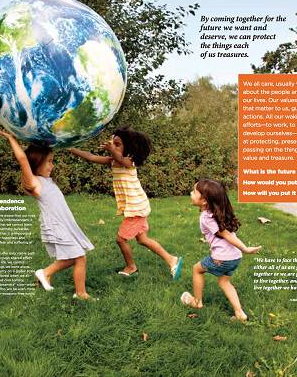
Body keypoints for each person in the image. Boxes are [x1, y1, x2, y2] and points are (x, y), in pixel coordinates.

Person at [70, 126, 183, 279]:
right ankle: (172, 259)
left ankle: (131, 267)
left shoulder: (129, 162)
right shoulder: (113, 161)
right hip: (137, 207)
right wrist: (71, 149)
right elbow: (90, 157)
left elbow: (121, 159)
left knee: (121, 239)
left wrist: (111, 150)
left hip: (136, 209)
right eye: (112, 143)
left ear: (128, 148)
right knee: (143, 240)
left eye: (117, 144)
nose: (113, 147)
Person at [0, 130, 95, 300]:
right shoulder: (34, 182)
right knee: (79, 257)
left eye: (52, 161)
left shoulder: (47, 180)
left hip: (63, 224)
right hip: (56, 225)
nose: (52, 165)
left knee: (74, 257)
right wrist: (12, 139)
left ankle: (45, 274)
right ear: (37, 162)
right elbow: (22, 159)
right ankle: (80, 293)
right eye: (49, 161)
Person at [181, 179, 261, 321]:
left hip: (222, 258)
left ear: (204, 200)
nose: (190, 194)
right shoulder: (217, 213)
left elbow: (226, 235)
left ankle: (197, 302)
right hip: (235, 258)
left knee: (196, 269)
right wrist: (242, 251)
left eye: (194, 192)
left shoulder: (207, 218)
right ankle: (240, 313)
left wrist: (245, 248)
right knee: (224, 282)